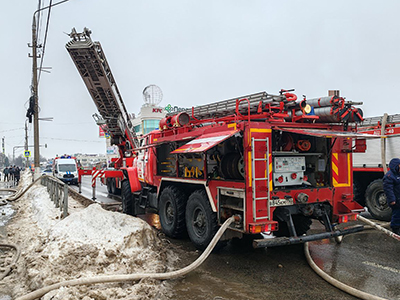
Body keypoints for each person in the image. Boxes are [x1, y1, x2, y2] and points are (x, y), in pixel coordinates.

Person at [382, 158, 400, 235]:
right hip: (396, 200)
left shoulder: (398, 175)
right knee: (397, 214)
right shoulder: (389, 176)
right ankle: (395, 228)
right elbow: (388, 190)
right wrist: (392, 200)